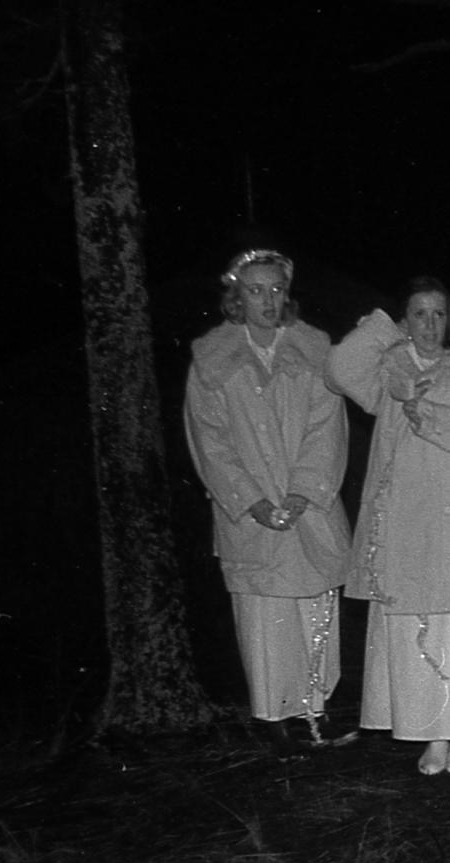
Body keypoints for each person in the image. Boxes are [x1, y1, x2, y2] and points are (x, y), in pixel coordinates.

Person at [328, 277, 450, 774]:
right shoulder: (390, 369)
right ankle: (432, 731)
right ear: (404, 320)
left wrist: (433, 416)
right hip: (406, 519)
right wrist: (383, 329)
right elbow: (339, 367)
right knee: (415, 624)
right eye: (418, 314)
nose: (430, 326)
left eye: (438, 314)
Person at [184, 248, 350, 754]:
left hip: (308, 510)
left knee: (316, 611)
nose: (268, 301)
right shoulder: (212, 361)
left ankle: (316, 712)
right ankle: (276, 719)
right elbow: (209, 440)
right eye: (255, 291)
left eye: (276, 289)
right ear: (236, 297)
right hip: (251, 517)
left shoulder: (314, 352)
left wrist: (303, 491)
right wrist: (251, 500)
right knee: (265, 619)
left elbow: (327, 428)